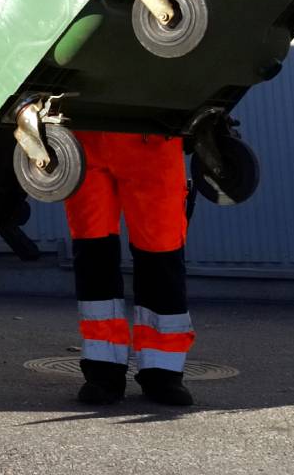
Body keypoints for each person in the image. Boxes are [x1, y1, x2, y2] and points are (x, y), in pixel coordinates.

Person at [65, 130, 195, 407]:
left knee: (161, 254)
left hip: (152, 140)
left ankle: (164, 372)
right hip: (84, 140)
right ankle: (103, 370)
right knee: (92, 251)